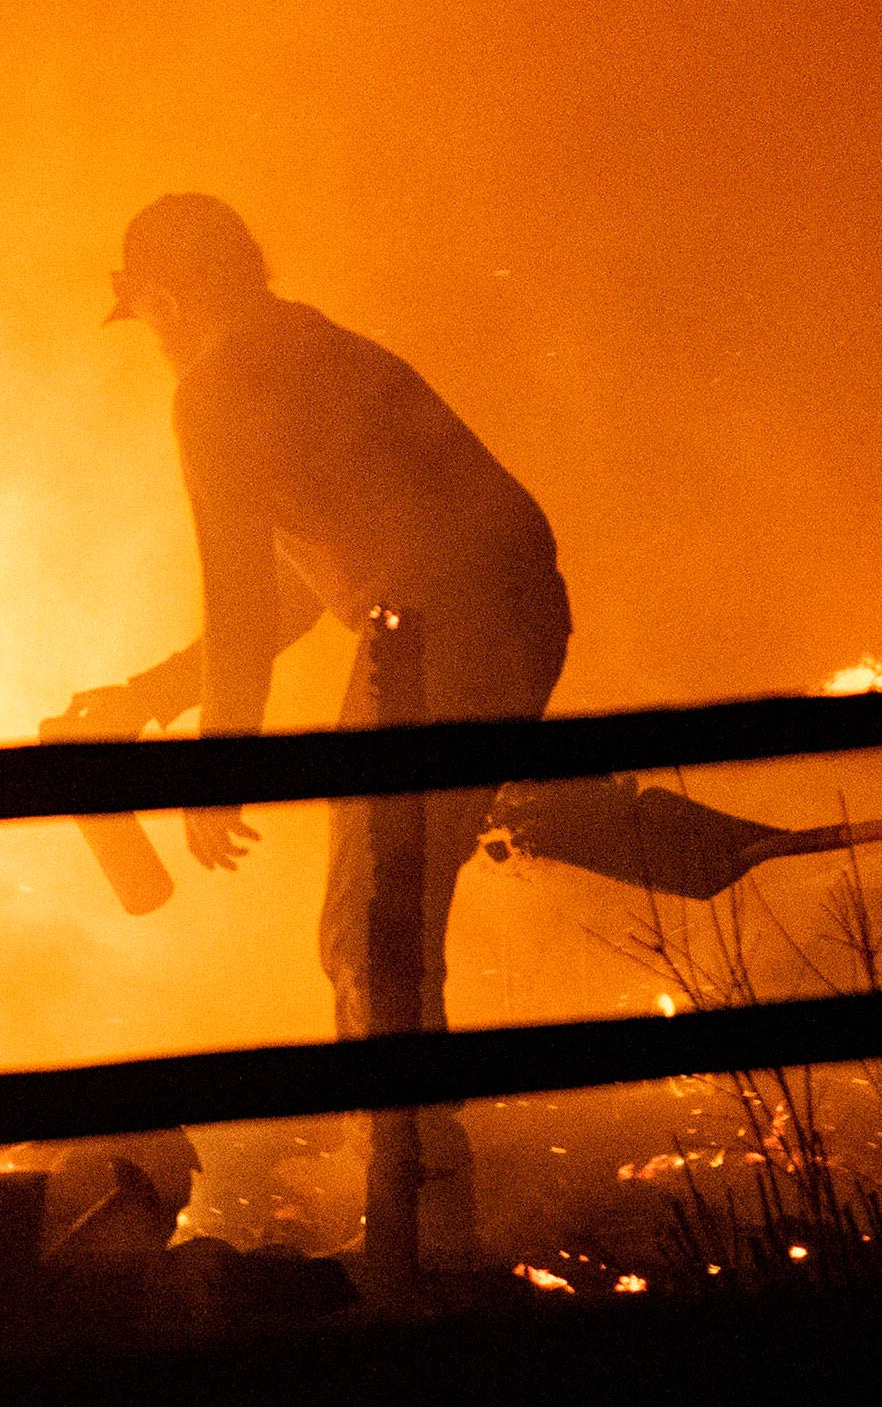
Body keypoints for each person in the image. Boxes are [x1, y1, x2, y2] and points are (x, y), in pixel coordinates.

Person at [63, 192, 573, 1274]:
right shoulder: (303, 347)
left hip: (445, 626)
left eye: (150, 309)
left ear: (174, 292)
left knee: (369, 930)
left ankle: (426, 1241)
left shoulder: (215, 387)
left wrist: (221, 772)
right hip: (494, 605)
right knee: (377, 921)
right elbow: (308, 585)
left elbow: (246, 600)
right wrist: (154, 697)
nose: (152, 335)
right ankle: (420, 1213)